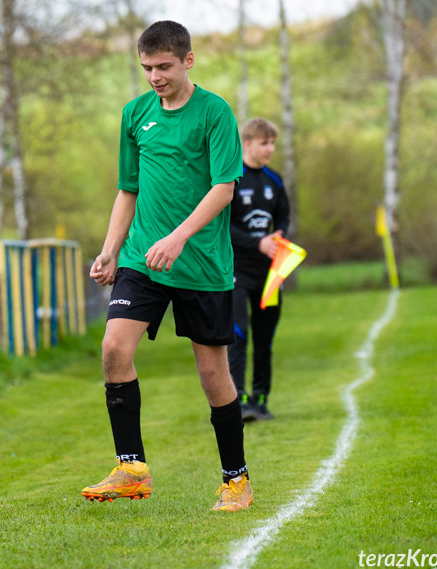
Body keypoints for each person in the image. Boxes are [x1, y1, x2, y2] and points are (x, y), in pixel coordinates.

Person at [82, 20, 251, 512]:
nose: (154, 76)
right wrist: (112, 248)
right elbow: (128, 189)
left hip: (200, 263)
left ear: (188, 61)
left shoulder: (214, 112)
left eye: (164, 67)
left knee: (213, 374)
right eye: (147, 68)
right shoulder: (135, 115)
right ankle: (131, 468)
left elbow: (224, 189)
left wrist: (177, 238)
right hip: (142, 259)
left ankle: (236, 481)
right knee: (114, 348)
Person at [228, 117, 291, 422]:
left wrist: (278, 235)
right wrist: (257, 244)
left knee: (265, 339)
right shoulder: (231, 179)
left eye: (273, 143)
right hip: (236, 272)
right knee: (238, 333)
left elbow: (283, 218)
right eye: (265, 143)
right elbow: (221, 226)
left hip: (271, 274)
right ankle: (237, 402)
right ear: (248, 144)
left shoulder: (274, 181)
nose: (270, 149)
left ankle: (261, 400)